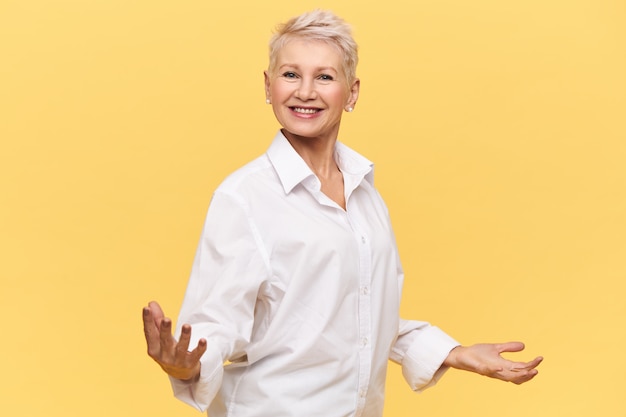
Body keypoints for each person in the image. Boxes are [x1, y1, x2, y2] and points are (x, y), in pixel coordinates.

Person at [142, 9, 542, 417]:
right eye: (291, 74)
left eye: (325, 77)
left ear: (351, 93)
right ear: (268, 85)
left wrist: (454, 353)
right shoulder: (243, 197)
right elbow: (216, 323)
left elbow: (361, 317)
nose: (305, 91)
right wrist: (187, 365)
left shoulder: (365, 194)